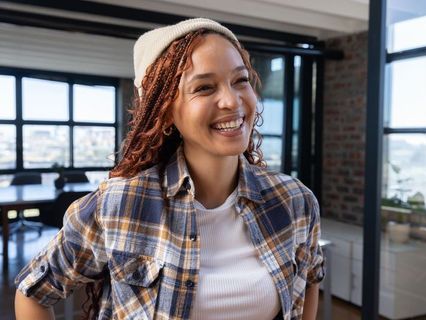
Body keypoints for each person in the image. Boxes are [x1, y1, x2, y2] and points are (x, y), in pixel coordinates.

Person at [14, 18, 324, 320]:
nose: (231, 100)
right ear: (165, 110)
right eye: (204, 88)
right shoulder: (119, 205)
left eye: (240, 80)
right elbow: (33, 292)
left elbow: (309, 282)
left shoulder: (294, 201)